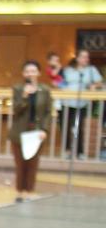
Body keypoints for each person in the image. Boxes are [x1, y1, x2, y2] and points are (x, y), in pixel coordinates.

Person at [8, 60, 52, 202]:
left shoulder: (45, 90)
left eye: (33, 71)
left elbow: (48, 112)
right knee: (20, 164)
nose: (30, 74)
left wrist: (45, 129)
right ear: (23, 73)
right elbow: (16, 110)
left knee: (33, 164)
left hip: (37, 132)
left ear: (38, 73)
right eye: (27, 71)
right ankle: (19, 192)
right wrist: (25, 96)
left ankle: (29, 191)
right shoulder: (18, 89)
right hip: (19, 133)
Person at [62, 49, 103, 159]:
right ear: (77, 58)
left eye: (87, 57)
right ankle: (67, 150)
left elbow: (100, 82)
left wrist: (94, 85)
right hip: (67, 102)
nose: (86, 59)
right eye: (83, 57)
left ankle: (80, 152)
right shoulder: (68, 70)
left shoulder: (91, 70)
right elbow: (61, 82)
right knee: (67, 126)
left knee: (79, 127)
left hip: (82, 103)